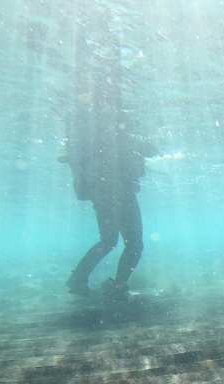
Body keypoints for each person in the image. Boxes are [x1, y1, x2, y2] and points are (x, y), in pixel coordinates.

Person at [59, 79, 157, 300]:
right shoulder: (113, 126)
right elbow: (129, 149)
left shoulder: (94, 128)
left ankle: (79, 279)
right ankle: (118, 286)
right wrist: (146, 148)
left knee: (108, 242)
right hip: (121, 192)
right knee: (134, 244)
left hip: (101, 193)